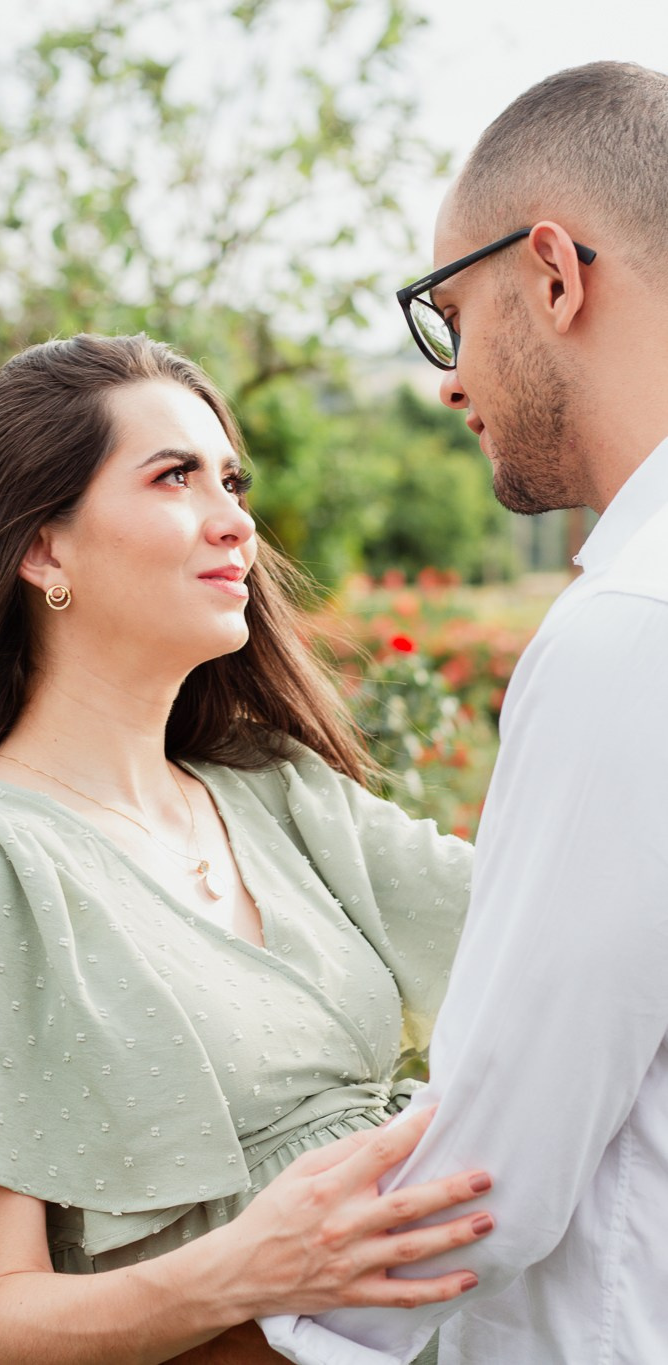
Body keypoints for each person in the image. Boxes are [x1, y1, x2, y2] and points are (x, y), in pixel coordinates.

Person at [0, 333, 495, 1364]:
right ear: (42, 549)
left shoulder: (279, 795)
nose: (236, 521)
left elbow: (553, 929)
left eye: (232, 479)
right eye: (175, 477)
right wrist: (254, 1269)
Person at [262, 59, 668, 1365]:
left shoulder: (628, 636)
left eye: (450, 314)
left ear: (551, 273)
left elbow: (484, 1180)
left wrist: (187, 1321)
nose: (446, 380)